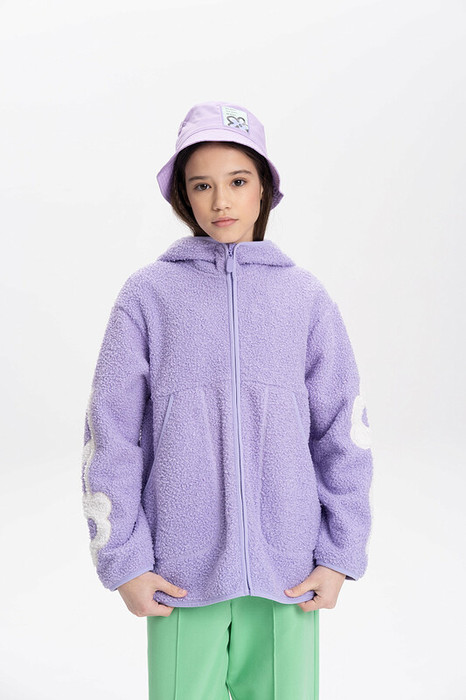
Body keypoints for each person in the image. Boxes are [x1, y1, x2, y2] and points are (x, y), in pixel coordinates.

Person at [81, 100, 374, 699]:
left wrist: (340, 552)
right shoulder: (148, 297)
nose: (221, 201)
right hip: (179, 577)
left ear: (264, 188)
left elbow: (342, 432)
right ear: (183, 197)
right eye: (202, 185)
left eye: (238, 182)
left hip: (290, 573)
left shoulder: (304, 298)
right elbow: (111, 435)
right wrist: (125, 560)